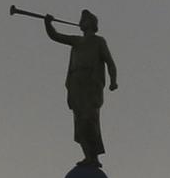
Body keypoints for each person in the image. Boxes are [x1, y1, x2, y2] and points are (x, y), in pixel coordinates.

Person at [44, 10, 119, 166]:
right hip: (77, 84)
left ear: (91, 24)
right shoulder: (77, 41)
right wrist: (48, 23)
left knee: (89, 119)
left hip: (91, 85)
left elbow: (110, 63)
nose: (81, 23)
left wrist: (113, 81)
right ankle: (88, 156)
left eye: (84, 20)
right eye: (81, 20)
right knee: (79, 122)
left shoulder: (99, 41)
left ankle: (94, 156)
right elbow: (56, 36)